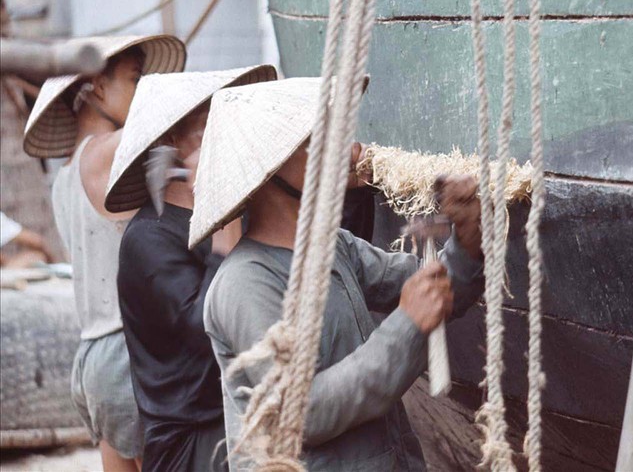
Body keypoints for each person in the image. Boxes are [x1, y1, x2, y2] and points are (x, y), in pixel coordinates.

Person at [189, 77, 485, 471]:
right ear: (272, 170)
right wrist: (407, 324)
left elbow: (435, 291)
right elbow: (304, 413)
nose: (352, 149)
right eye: (320, 138)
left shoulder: (333, 246)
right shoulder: (245, 284)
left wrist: (467, 242)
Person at [23, 35, 186, 471]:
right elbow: (168, 124)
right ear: (96, 87)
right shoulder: (106, 154)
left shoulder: (66, 176)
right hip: (130, 351)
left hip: (94, 355)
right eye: (136, 80)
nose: (145, 93)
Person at [106, 65, 277, 472]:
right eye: (211, 125)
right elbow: (208, 336)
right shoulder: (148, 239)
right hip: (194, 442)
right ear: (172, 142)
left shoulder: (244, 212)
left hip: (245, 414)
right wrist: (223, 243)